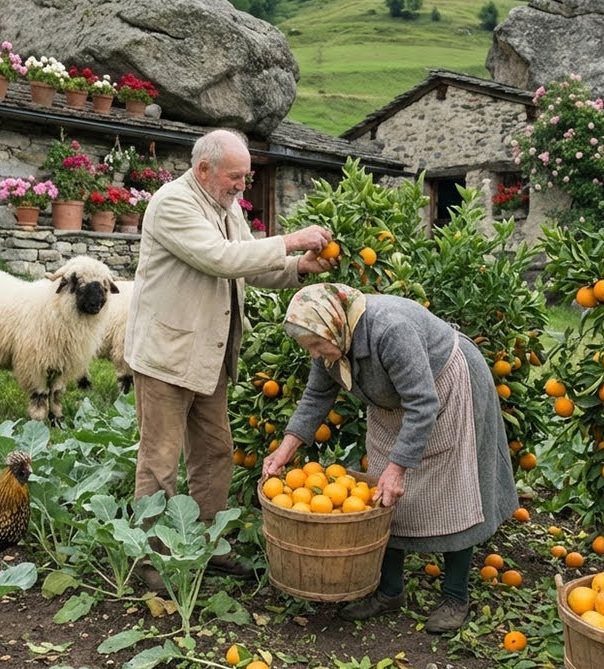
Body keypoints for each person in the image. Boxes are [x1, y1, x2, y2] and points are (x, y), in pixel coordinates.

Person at [125, 129, 334, 590]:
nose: (243, 185)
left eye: (247, 176)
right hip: (166, 354)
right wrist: (290, 240)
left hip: (208, 354)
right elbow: (219, 258)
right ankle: (150, 559)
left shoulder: (225, 207)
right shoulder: (172, 203)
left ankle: (205, 543)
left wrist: (297, 268)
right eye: (235, 176)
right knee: (159, 461)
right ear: (204, 170)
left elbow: (247, 264)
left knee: (214, 451)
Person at [261, 283, 518, 633]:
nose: (317, 355)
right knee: (380, 494)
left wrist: (400, 468)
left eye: (318, 346)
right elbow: (316, 397)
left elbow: (422, 402)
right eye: (310, 349)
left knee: (453, 490)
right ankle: (390, 590)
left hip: (444, 387)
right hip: (392, 403)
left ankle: (455, 596)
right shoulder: (328, 340)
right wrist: (284, 450)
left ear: (334, 326)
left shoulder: (390, 330)